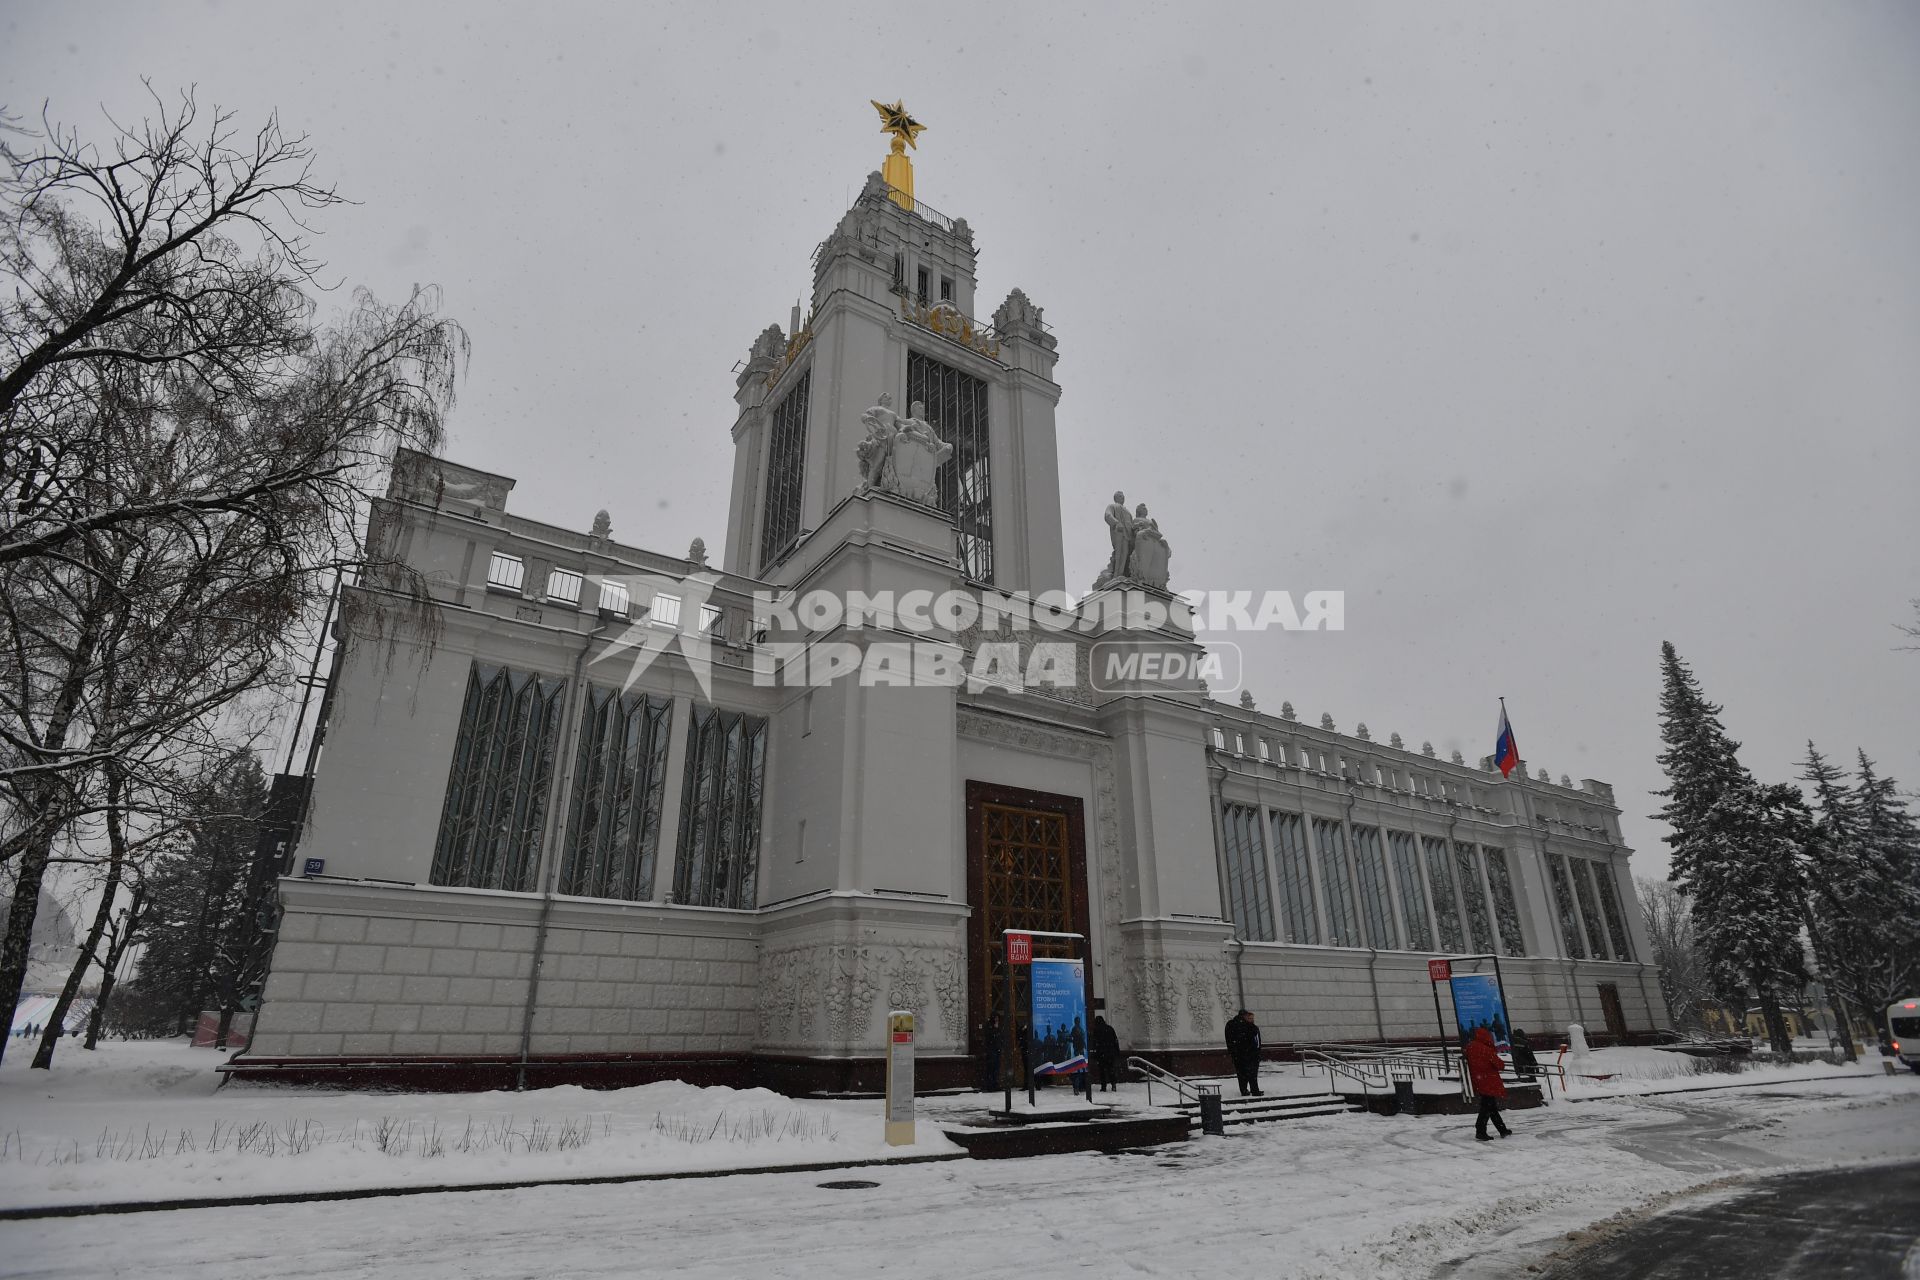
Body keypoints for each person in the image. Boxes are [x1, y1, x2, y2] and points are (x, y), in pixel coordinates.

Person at [1465, 1026, 1512, 1140]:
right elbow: (1500, 1065)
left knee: (1490, 1107)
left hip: (1478, 1080)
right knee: (1487, 1108)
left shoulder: (1470, 1047)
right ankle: (1480, 1130)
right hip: (1488, 1082)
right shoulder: (1486, 1050)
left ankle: (1502, 1129)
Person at [1225, 1009, 1263, 1097]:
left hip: (1237, 1055)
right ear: (1244, 1016)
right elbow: (1255, 1042)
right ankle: (1254, 1090)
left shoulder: (1230, 1024)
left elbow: (1229, 1039)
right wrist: (1257, 1053)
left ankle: (1244, 1090)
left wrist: (1232, 1052)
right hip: (1250, 1054)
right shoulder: (1249, 1026)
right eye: (1249, 1017)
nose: (1251, 1019)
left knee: (1241, 1074)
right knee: (1252, 1073)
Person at [1091, 1015, 1122, 1093]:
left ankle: (1103, 1086)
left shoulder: (1097, 1030)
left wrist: (1094, 1052)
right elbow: (1115, 1040)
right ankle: (1113, 1084)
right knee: (1111, 1069)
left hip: (1101, 1054)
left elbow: (1095, 1042)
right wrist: (1117, 1052)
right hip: (1110, 1053)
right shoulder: (1110, 1028)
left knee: (1102, 1071)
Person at [979, 1015, 1003, 1092]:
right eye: (995, 1018)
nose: (997, 1020)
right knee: (991, 1069)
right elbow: (990, 1038)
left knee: (996, 1069)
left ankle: (995, 1084)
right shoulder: (989, 1027)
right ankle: (990, 1085)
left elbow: (1000, 1038)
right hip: (991, 1051)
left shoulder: (997, 1027)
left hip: (996, 1051)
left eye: (997, 1019)